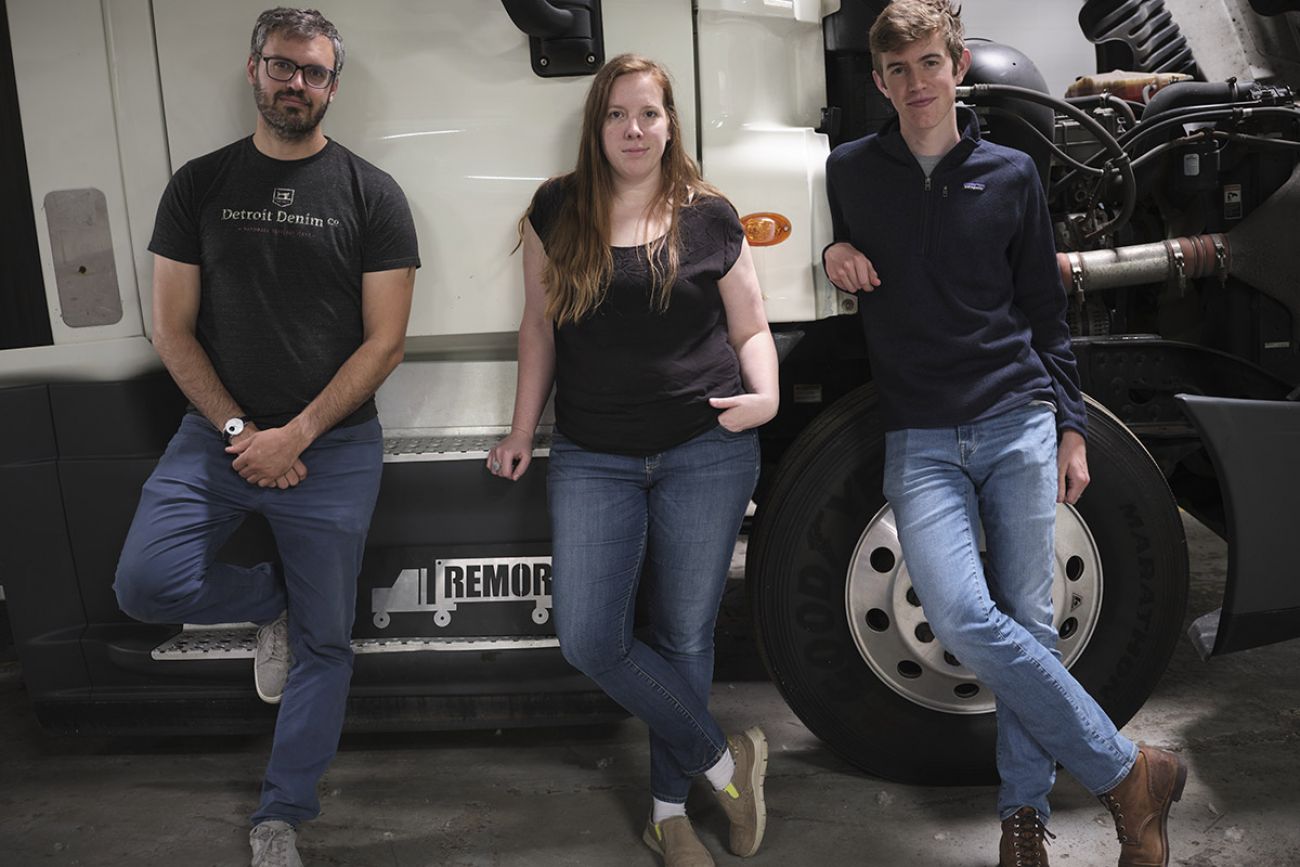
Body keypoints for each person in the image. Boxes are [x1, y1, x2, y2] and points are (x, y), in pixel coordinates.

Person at [822, 3, 1184, 866]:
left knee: (1028, 618)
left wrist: (1070, 426)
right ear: (879, 81)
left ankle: (1022, 816)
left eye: (930, 65)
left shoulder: (1014, 173)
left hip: (1016, 416)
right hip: (920, 434)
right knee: (962, 612)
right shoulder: (848, 171)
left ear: (958, 67)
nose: (916, 84)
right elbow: (835, 250)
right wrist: (833, 251)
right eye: (898, 70)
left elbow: (1044, 316)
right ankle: (1131, 770)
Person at [112, 8, 419, 866]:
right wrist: (245, 431)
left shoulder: (373, 193)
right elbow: (171, 328)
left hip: (334, 448)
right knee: (144, 585)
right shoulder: (200, 184)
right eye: (284, 67)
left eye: (315, 73)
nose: (298, 84)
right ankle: (267, 599)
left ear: (332, 85)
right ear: (254, 70)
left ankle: (280, 814)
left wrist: (298, 434)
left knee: (328, 643)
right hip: (217, 438)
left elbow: (385, 341)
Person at [487, 53, 779, 867]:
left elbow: (750, 327)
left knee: (685, 634)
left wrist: (767, 397)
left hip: (705, 448)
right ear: (597, 125)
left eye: (648, 114)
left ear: (671, 122)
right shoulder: (557, 209)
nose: (634, 130)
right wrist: (521, 431)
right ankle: (727, 761)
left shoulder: (711, 214)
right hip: (593, 453)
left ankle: (667, 814)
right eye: (617, 115)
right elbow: (538, 328)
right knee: (589, 636)